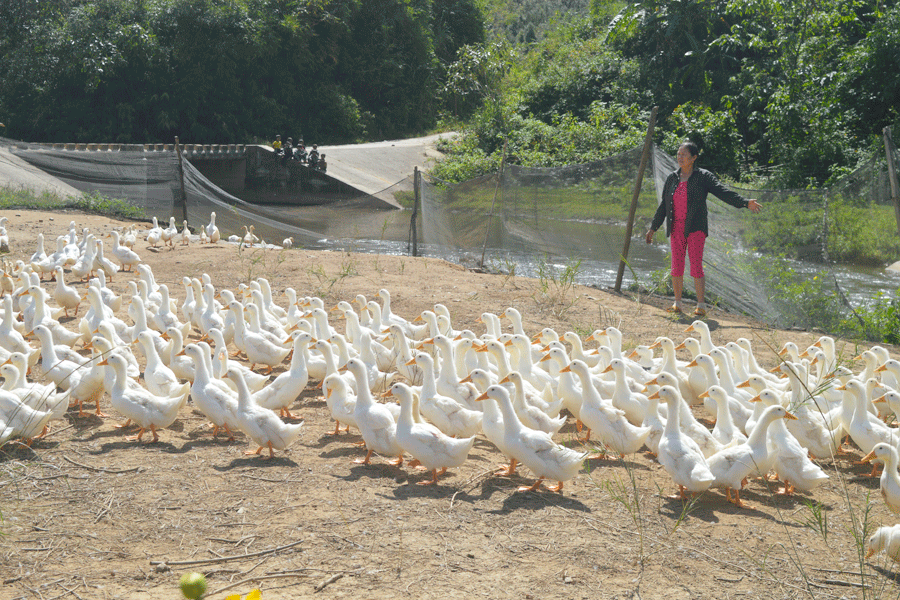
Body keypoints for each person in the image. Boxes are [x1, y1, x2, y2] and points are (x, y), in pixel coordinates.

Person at [645, 141, 762, 316]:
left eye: (684, 155)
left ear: (694, 158)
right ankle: (677, 304)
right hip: (676, 228)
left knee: (695, 265)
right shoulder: (672, 178)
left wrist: (744, 202)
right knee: (676, 266)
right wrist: (653, 227)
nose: (680, 157)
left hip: (695, 227)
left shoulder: (703, 177)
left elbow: (722, 192)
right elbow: (664, 206)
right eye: (678, 154)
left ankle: (701, 305)